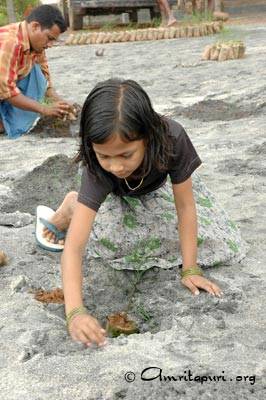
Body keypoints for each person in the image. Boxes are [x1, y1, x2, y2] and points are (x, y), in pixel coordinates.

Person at [37, 79, 246, 347]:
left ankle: (77, 205)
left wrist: (190, 269)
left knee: (217, 242)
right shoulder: (98, 169)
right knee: (111, 244)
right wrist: (75, 312)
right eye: (105, 156)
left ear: (148, 136)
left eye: (126, 155)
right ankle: (73, 204)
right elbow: (75, 247)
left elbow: (184, 206)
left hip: (158, 191)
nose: (116, 166)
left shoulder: (173, 137)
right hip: (114, 197)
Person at [0, 5, 71, 139]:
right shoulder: (11, 43)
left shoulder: (36, 44)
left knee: (36, 72)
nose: (50, 45)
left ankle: (7, 119)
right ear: (35, 27)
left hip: (5, 87)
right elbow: (7, 91)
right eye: (49, 38)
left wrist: (60, 101)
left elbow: (44, 74)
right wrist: (44, 109)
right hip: (4, 89)